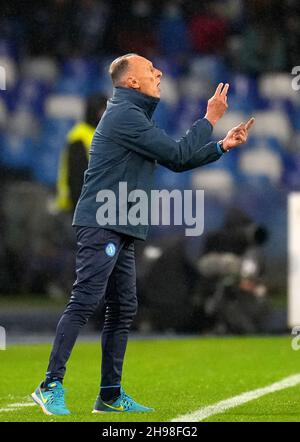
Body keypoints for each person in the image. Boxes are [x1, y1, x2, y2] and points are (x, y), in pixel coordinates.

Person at [31, 53, 254, 415]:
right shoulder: (124, 116)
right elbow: (179, 154)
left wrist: (221, 146)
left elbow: (177, 159)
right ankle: (50, 384)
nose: (159, 72)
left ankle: (109, 395)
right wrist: (210, 118)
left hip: (121, 224)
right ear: (132, 82)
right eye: (151, 69)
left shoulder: (132, 116)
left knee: (123, 308)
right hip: (102, 222)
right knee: (86, 300)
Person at [56, 93, 107, 213]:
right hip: (79, 208)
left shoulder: (106, 134)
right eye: (102, 110)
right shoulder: (79, 136)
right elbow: (75, 179)